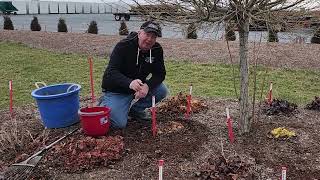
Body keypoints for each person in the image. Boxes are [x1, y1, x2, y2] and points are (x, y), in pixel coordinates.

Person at [100, 21, 169, 129]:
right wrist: (130, 83)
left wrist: (147, 86)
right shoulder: (123, 46)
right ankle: (105, 102)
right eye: (147, 34)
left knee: (162, 90)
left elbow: (160, 74)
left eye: (153, 37)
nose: (149, 39)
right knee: (119, 124)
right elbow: (111, 72)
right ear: (139, 33)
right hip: (117, 90)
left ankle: (135, 110)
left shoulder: (156, 49)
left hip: (138, 88)